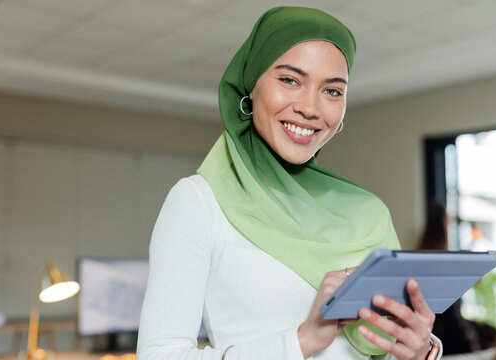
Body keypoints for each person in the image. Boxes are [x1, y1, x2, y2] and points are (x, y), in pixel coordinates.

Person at [137, 6, 442, 360]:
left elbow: (384, 349)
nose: (310, 108)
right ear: (250, 88)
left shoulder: (369, 212)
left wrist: (421, 351)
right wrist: (302, 341)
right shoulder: (199, 202)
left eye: (332, 91)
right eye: (290, 80)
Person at [418, 202, 496, 355]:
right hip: (446, 326)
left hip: (440, 324)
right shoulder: (442, 258)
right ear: (443, 225)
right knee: (490, 334)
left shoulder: (424, 253)